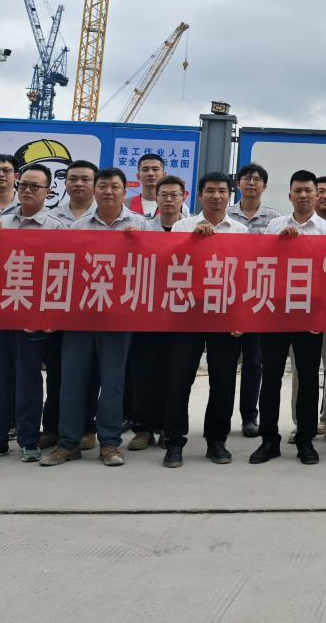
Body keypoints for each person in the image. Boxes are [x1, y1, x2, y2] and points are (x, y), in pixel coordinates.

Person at [40, 168, 152, 467]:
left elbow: (155, 265)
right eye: (103, 186)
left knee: (113, 383)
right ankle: (68, 443)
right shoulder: (78, 226)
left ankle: (110, 443)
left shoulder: (140, 224)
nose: (108, 191)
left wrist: (141, 243)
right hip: (81, 315)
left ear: (124, 191)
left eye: (115, 186)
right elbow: (64, 269)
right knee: (72, 381)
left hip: (118, 317)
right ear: (95, 190)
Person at [0, 163, 62, 463]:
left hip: (31, 318)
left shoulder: (57, 228)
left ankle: (29, 440)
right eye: (24, 185)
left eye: (35, 186)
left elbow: (60, 275)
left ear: (48, 191)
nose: (28, 191)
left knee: (28, 379)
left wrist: (48, 316)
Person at [250, 171, 326, 466]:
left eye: (308, 191)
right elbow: (262, 264)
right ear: (289, 196)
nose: (303, 195)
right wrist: (279, 243)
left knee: (309, 379)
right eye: (297, 191)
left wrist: (322, 316)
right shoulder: (274, 226)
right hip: (276, 312)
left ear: (316, 195)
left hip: (309, 314)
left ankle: (305, 440)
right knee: (271, 377)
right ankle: (269, 440)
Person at [162, 173, 247, 468]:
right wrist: (192, 240)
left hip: (224, 312)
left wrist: (241, 316)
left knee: (223, 380)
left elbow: (244, 274)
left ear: (230, 195)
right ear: (199, 195)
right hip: (187, 313)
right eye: (210, 190)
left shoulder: (240, 231)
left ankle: (216, 440)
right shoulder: (182, 226)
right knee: (179, 378)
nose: (216, 196)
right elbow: (168, 264)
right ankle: (174, 441)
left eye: (222, 191)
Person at [124, 175, 188, 452]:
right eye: (164, 195)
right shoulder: (142, 228)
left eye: (175, 195)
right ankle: (143, 428)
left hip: (182, 314)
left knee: (175, 374)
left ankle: (168, 429)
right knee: (143, 371)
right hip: (147, 312)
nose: (169, 200)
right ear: (156, 198)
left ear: (184, 197)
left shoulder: (193, 229)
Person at [41, 160, 100, 451]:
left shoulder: (106, 217)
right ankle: (52, 427)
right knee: (56, 370)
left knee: (91, 373)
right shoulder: (51, 217)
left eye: (85, 179)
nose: (78, 183)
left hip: (92, 305)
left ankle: (88, 427)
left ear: (95, 185)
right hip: (58, 304)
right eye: (73, 178)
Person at [293, 174, 326, 443]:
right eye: (320, 191)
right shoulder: (281, 226)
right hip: (298, 308)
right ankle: (301, 422)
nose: (323, 196)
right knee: (302, 370)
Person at [229, 162, 281, 437]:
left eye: (257, 179)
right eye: (246, 178)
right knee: (225, 363)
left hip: (259, 296)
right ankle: (221, 417)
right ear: (238, 184)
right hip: (228, 295)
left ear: (265, 186)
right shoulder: (226, 215)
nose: (251, 183)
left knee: (253, 362)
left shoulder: (274, 219)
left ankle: (250, 417)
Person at [127, 152, 189, 220]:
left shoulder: (179, 206)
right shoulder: (126, 204)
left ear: (164, 175)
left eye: (155, 169)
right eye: (145, 170)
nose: (150, 173)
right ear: (138, 176)